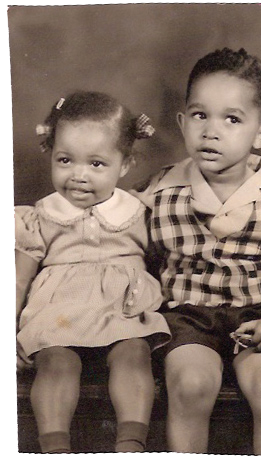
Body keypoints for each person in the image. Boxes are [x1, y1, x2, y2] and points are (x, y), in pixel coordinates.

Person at [131, 47, 261, 454]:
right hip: (187, 317)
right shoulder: (158, 190)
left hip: (258, 317)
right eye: (200, 115)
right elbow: (122, 238)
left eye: (232, 119)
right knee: (191, 385)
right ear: (182, 122)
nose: (211, 131)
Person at [14, 91, 171, 454]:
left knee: (133, 354)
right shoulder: (40, 216)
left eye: (97, 164)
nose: (79, 176)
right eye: (65, 160)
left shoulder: (138, 211)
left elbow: (168, 260)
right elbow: (19, 278)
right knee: (55, 363)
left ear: (126, 164)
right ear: (50, 154)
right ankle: (55, 448)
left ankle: (130, 445)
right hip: (60, 312)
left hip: (122, 308)